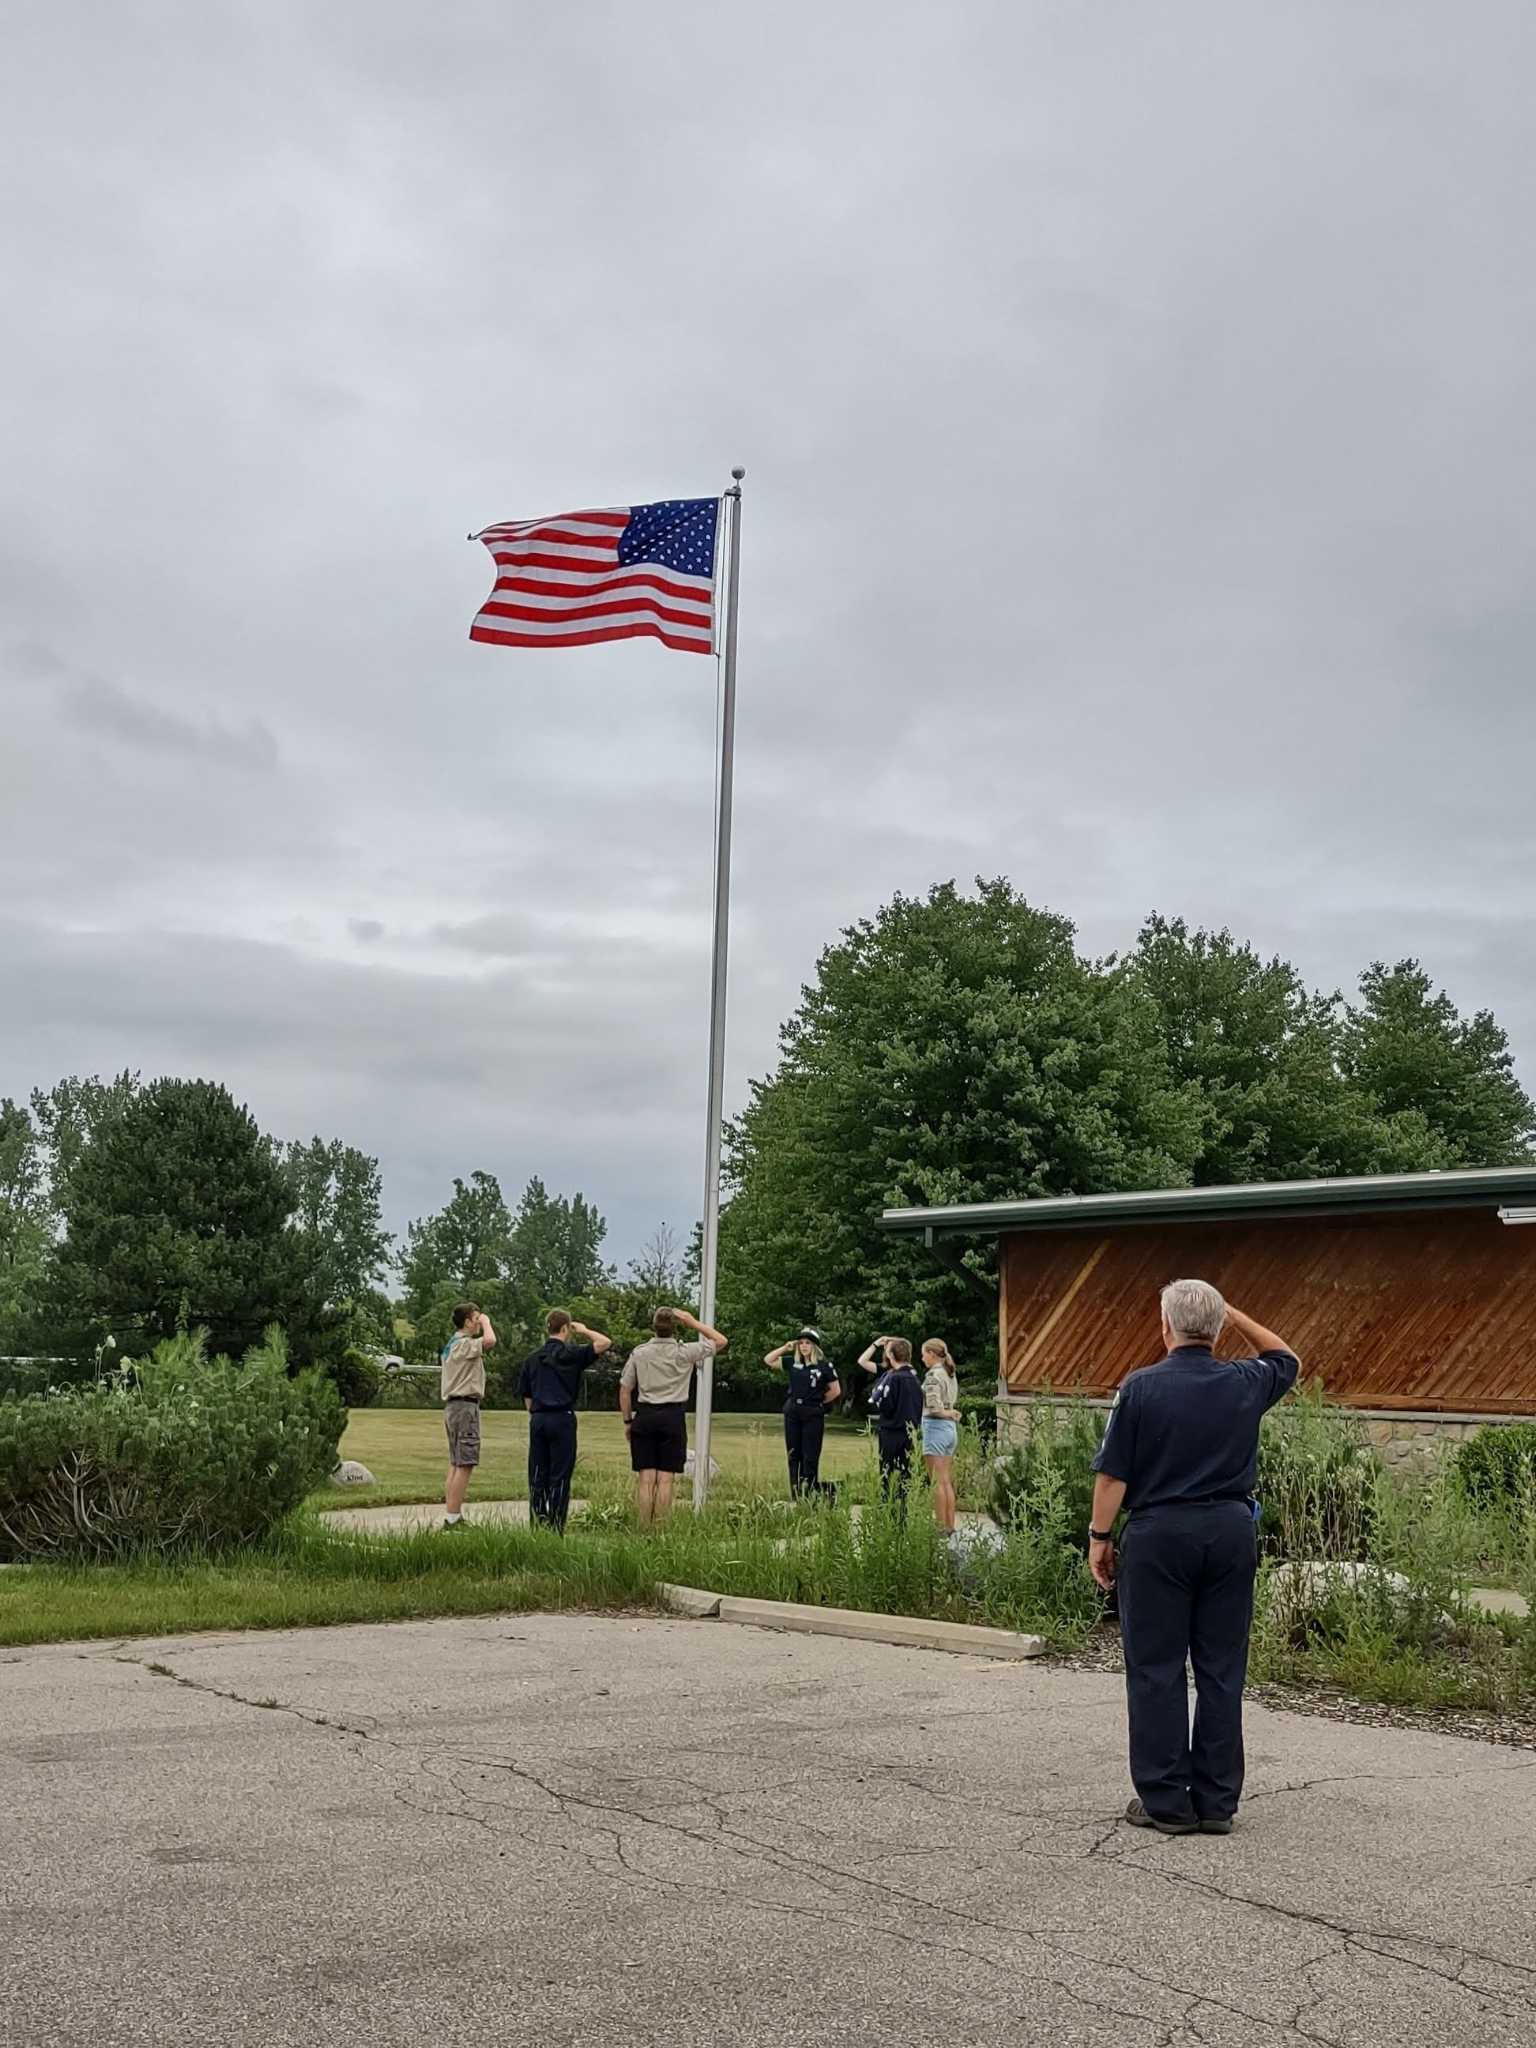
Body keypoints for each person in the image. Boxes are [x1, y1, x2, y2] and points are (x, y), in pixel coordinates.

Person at [1088, 1280, 1301, 1837]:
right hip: (1230, 1531)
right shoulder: (1245, 1381)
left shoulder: (1140, 1388)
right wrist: (1235, 1315)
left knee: (1156, 1667)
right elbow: (1286, 1356)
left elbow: (1113, 1475)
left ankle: (1166, 1800)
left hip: (1160, 1534)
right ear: (1217, 1328)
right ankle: (1216, 1801)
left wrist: (1099, 1537)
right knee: (1221, 1668)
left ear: (1164, 1327)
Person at [620, 1306, 728, 1524]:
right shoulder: (685, 1352)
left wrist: (628, 1420)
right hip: (672, 1417)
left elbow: (625, 1389)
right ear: (675, 1328)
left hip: (645, 1415)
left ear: (653, 1326)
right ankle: (660, 1529)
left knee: (646, 1479)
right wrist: (693, 1321)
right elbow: (721, 1341)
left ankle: (643, 1528)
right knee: (666, 1479)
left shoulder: (639, 1353)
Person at [516, 1308, 613, 1532]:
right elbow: (604, 1342)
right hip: (562, 1417)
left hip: (539, 1418)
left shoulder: (532, 1359)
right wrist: (585, 1330)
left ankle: (538, 1524)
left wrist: (536, 1414)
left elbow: (527, 1397)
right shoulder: (572, 1355)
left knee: (538, 1474)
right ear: (565, 1329)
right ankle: (556, 1526)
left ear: (546, 1328)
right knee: (559, 1475)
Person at [764, 1327, 841, 1497]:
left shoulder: (824, 1366)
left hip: (812, 1412)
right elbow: (769, 1360)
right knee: (793, 1454)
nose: (804, 1346)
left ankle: (811, 1491)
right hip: (793, 1411)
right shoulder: (793, 1362)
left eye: (808, 1343)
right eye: (801, 1343)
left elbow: (835, 1390)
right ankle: (796, 1492)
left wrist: (818, 1401)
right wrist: (785, 1347)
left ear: (815, 1346)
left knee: (810, 1455)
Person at [440, 1301, 496, 1528]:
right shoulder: (463, 1344)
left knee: (456, 1462)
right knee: (465, 1463)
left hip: (454, 1408)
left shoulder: (451, 1345)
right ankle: (452, 1519)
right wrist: (487, 1322)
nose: (479, 1323)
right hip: (464, 1407)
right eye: (476, 1319)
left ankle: (452, 1513)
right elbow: (490, 1341)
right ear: (467, 1322)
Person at [857, 1335, 925, 1507]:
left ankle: (889, 1512)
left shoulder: (894, 1378)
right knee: (904, 1475)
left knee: (888, 1475)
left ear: (892, 1356)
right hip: (909, 1432)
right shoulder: (914, 1377)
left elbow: (886, 1406)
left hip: (892, 1432)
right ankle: (901, 1512)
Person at [919, 1339, 962, 1533]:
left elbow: (935, 1407)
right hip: (950, 1430)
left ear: (932, 1354)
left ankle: (939, 1526)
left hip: (936, 1427)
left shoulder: (933, 1375)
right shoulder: (949, 1374)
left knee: (936, 1480)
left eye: (923, 1354)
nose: (922, 1358)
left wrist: (946, 1413)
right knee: (945, 1480)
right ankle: (949, 1525)